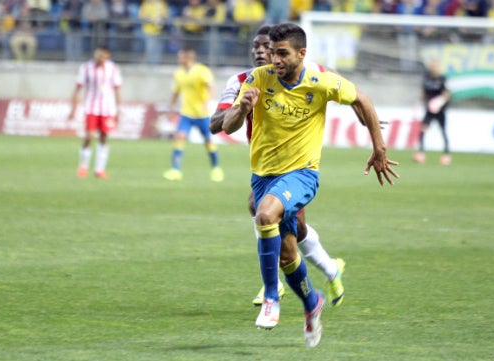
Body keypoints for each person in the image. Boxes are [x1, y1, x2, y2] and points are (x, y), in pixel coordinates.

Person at [221, 23, 399, 347]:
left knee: (263, 215)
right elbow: (229, 126)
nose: (275, 59)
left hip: (302, 174)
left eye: (283, 53)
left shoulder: (320, 82)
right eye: (273, 53)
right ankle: (311, 303)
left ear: (302, 53)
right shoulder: (258, 78)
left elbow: (363, 100)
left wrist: (379, 148)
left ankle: (271, 297)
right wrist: (243, 108)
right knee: (288, 254)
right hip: (263, 176)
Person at [210, 25, 345, 308]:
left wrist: (363, 110)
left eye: (267, 47)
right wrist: (240, 107)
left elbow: (334, 77)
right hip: (265, 166)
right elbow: (214, 125)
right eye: (256, 47)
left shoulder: (300, 71)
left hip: (296, 163)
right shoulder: (240, 81)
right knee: (288, 226)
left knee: (273, 218)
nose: (261, 51)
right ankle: (329, 269)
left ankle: (276, 285)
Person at [163, 48, 224, 182]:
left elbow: (210, 86)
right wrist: (171, 108)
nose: (178, 59)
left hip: (202, 114)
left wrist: (207, 102)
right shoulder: (178, 73)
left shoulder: (202, 70)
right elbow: (176, 92)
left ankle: (216, 168)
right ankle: (175, 170)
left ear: (188, 57)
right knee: (179, 137)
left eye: (180, 56)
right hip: (186, 113)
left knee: (208, 142)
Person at [68, 46, 123, 179]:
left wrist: (118, 110)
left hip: (108, 109)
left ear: (107, 57)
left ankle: (99, 169)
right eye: (98, 55)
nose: (100, 58)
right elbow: (77, 88)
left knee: (104, 137)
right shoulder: (86, 68)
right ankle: (83, 166)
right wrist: (73, 108)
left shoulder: (113, 69)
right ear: (94, 54)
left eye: (103, 56)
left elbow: (117, 90)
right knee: (89, 136)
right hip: (91, 107)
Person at [413, 59, 452, 165]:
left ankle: (446, 154)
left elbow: (447, 94)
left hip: (440, 110)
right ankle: (420, 153)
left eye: (435, 66)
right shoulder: (427, 78)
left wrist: (438, 102)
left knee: (443, 130)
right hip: (429, 110)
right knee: (423, 129)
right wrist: (418, 104)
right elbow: (423, 93)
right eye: (432, 66)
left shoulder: (442, 79)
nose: (433, 68)